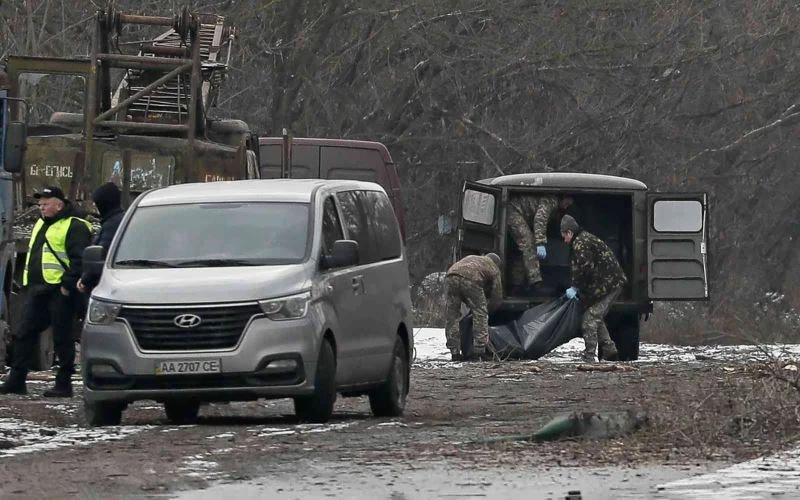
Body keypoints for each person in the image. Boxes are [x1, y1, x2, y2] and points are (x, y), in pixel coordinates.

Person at [1, 186, 93, 397]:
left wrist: (66, 285)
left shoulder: (75, 225)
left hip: (59, 291)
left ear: (59, 205)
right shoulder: (42, 223)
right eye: (40, 204)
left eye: (45, 203)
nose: (41, 207)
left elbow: (80, 260)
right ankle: (16, 379)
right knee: (24, 333)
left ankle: (64, 383)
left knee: (62, 337)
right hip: (38, 289)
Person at [560, 214, 626, 362]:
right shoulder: (583, 239)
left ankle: (589, 356)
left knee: (589, 320)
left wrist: (576, 288)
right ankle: (609, 350)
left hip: (609, 285)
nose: (564, 240)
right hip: (606, 284)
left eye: (564, 236)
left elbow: (586, 269)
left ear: (569, 232)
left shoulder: (580, 243)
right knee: (596, 316)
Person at [443, 253, 503, 362]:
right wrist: (490, 309)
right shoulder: (493, 267)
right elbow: (497, 296)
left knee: (452, 316)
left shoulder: (472, 258)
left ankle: (454, 352)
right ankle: (479, 352)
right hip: (471, 279)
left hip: (450, 276)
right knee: (480, 313)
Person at [507, 194, 573, 287]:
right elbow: (540, 219)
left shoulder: (556, 209)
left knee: (523, 251)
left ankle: (517, 283)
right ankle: (536, 281)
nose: (566, 207)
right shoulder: (550, 201)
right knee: (528, 243)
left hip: (522, 215)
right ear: (561, 198)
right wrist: (540, 242)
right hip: (514, 211)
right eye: (566, 203)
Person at [77, 182, 124, 294]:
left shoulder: (111, 226)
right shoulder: (121, 221)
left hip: (104, 286)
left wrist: (85, 280)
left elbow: (100, 256)